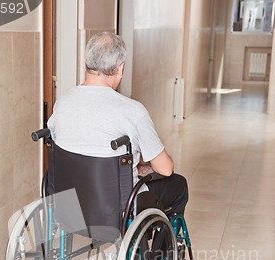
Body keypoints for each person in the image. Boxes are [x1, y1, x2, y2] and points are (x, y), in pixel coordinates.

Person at [48, 31, 188, 215]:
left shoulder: (62, 103)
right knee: (178, 185)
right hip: (118, 207)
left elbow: (75, 146)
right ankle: (159, 243)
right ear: (120, 68)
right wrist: (142, 162)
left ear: (84, 63)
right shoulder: (133, 111)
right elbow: (166, 168)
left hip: (70, 204)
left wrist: (134, 161)